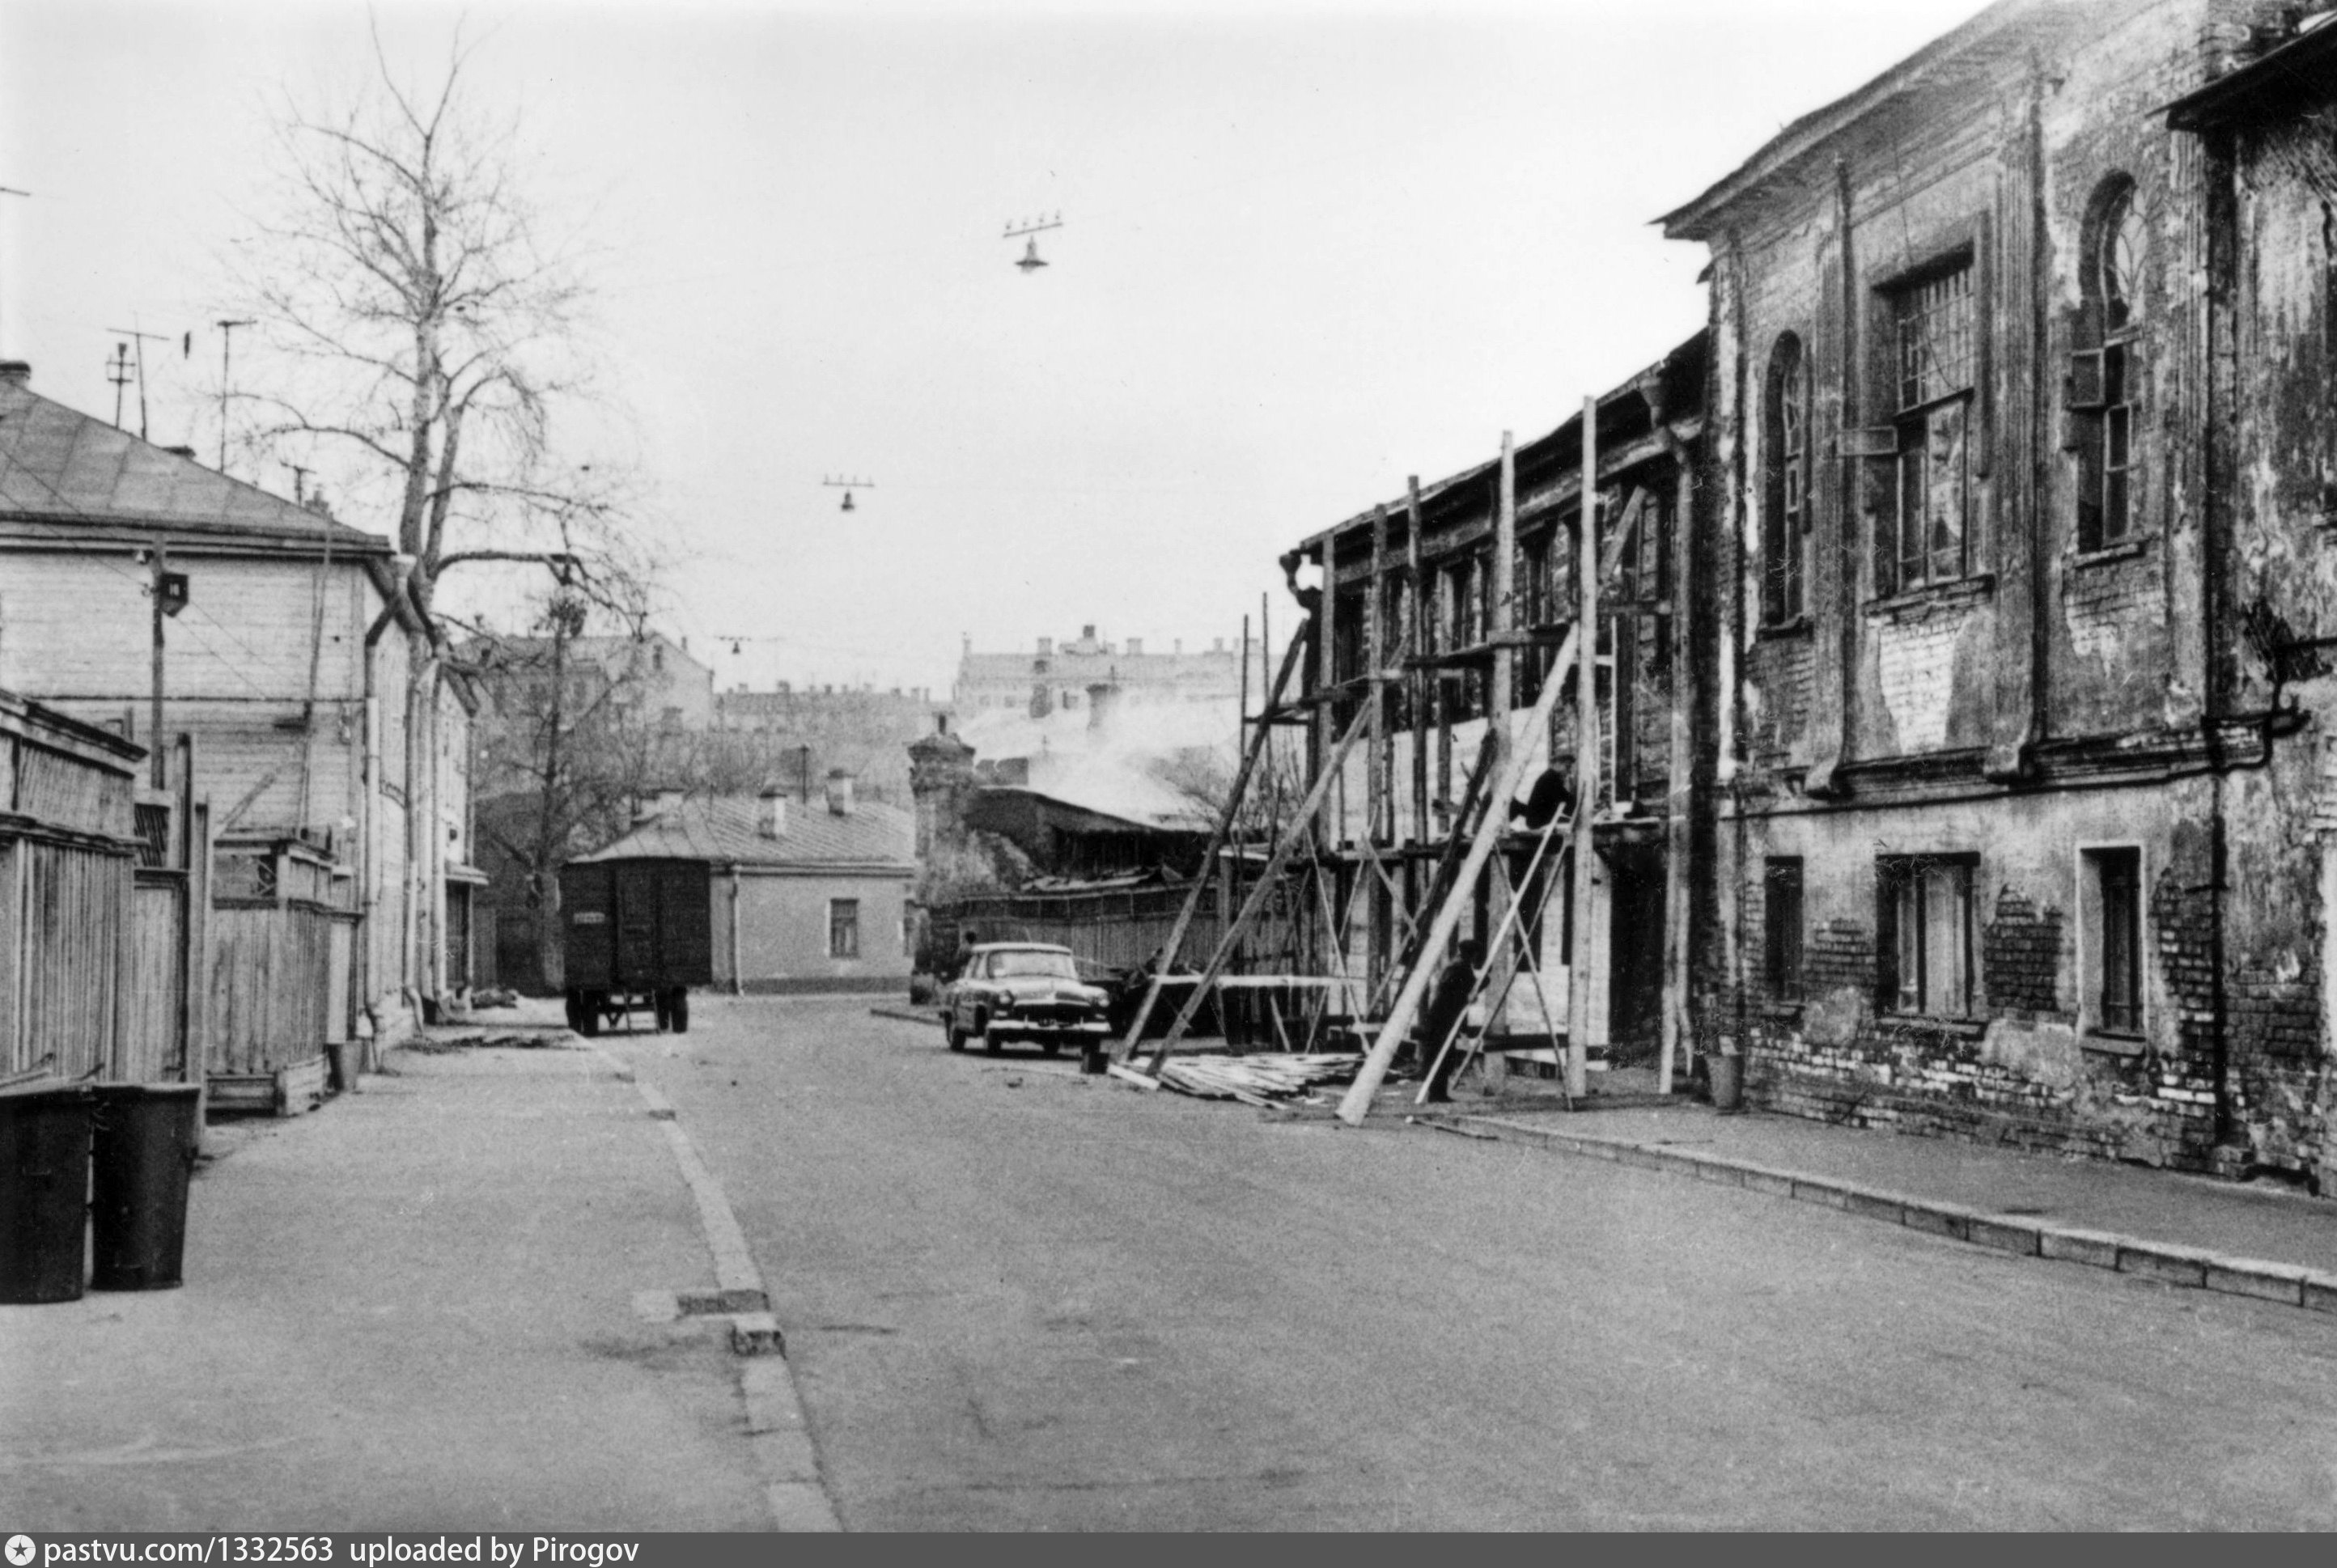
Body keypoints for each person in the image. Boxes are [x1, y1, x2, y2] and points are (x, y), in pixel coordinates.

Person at [1417, 937, 1485, 1104]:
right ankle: (1437, 1094)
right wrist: (1479, 986)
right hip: (1443, 1018)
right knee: (1442, 1056)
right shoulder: (1460, 968)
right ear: (1473, 954)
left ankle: (1438, 1093)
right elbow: (1461, 990)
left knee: (1441, 1056)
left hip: (1440, 1017)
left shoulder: (1455, 965)